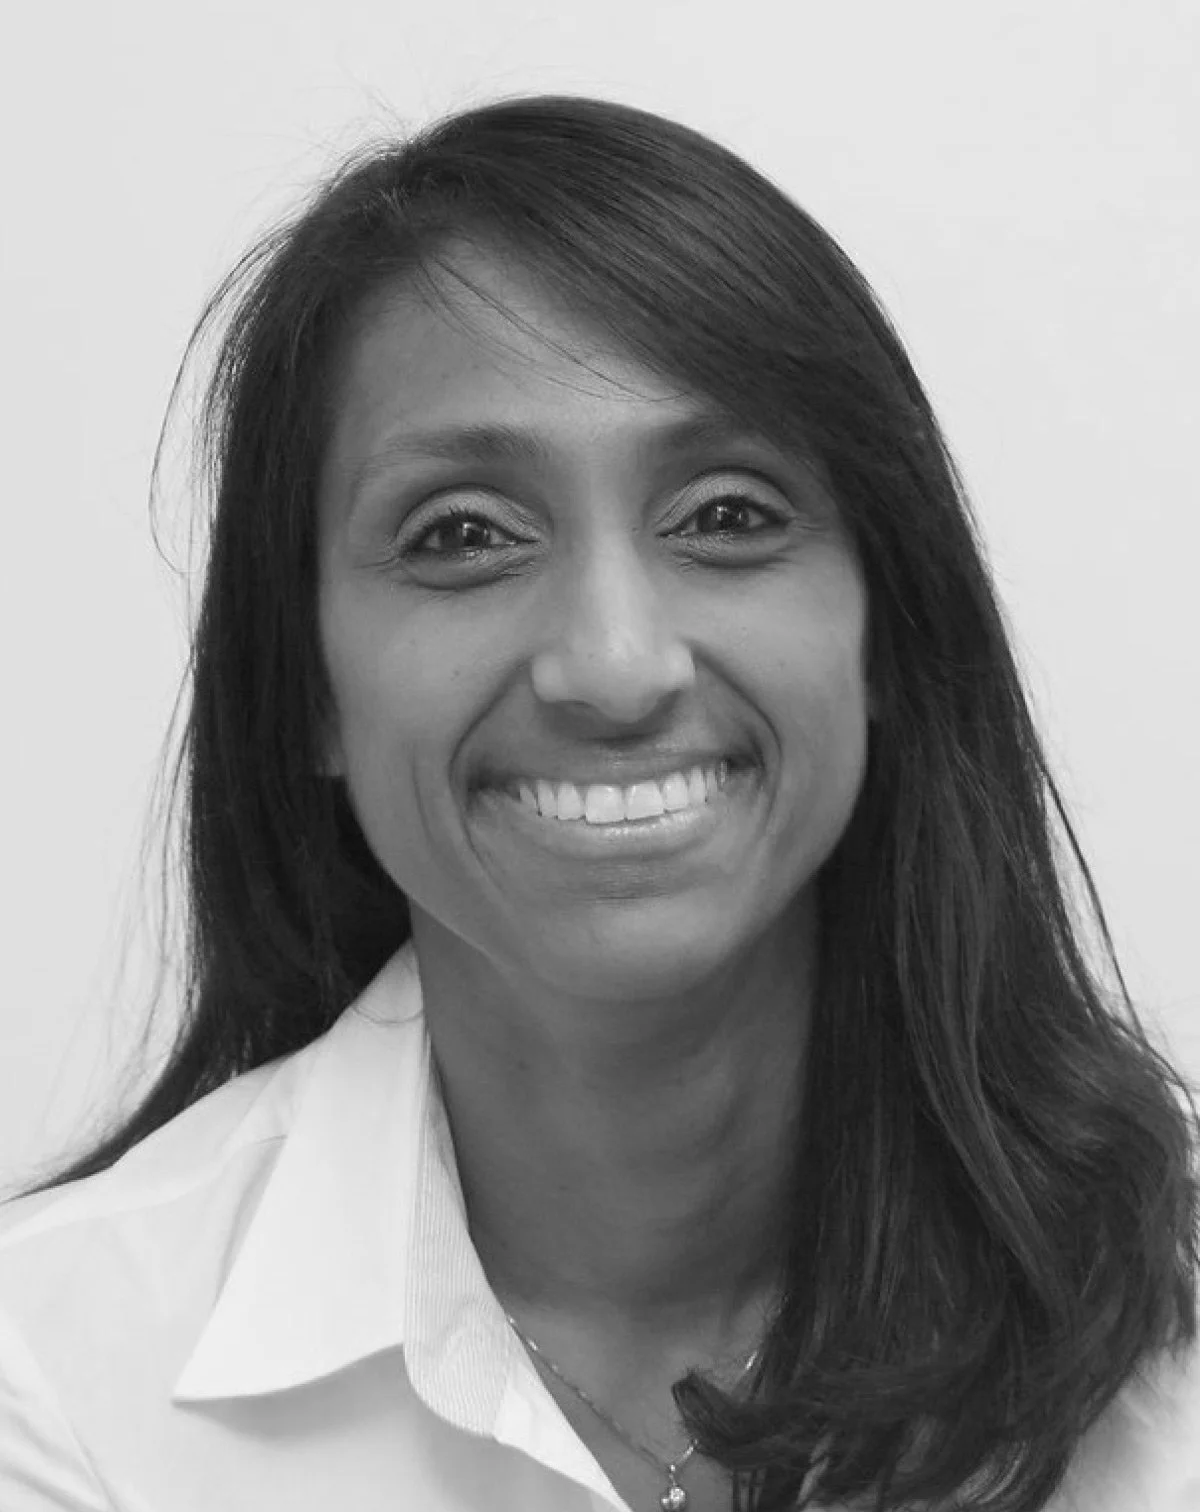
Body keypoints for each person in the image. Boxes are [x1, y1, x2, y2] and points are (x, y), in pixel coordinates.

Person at [0, 92, 1196, 1512]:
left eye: (729, 517)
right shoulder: (62, 1391)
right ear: (306, 685)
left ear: (887, 634)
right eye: (463, 536)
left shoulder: (1165, 1346)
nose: (615, 665)